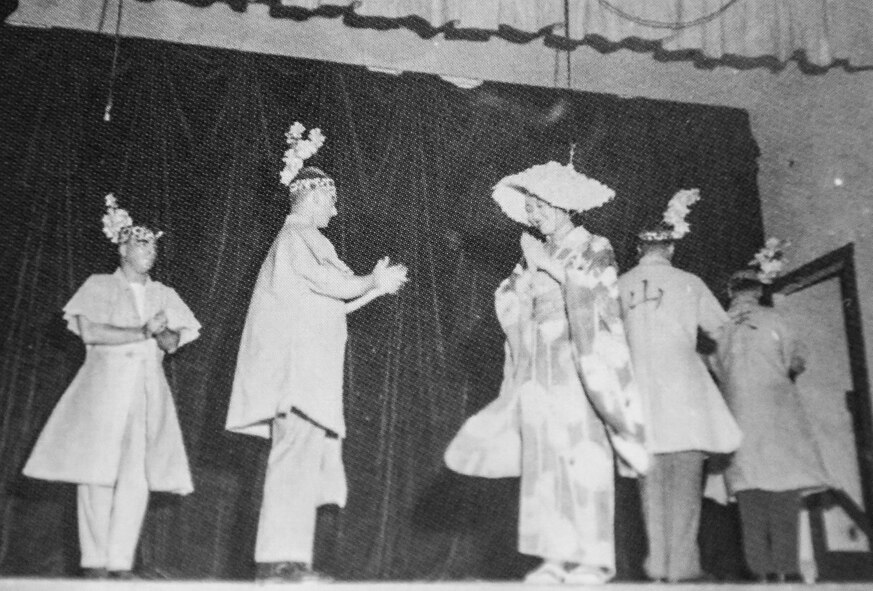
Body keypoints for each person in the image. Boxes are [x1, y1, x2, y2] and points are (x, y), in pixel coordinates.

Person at [445, 160, 648, 585]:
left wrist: (551, 269)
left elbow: (600, 297)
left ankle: (592, 558)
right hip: (538, 362)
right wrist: (517, 289)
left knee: (581, 453)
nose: (533, 216)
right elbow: (513, 304)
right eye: (529, 208)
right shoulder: (531, 256)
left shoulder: (594, 244)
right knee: (543, 456)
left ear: (561, 204)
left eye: (539, 206)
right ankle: (555, 556)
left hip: (577, 359)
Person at [225, 123, 408, 583]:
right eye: (331, 198)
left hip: (310, 375)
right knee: (293, 462)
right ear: (310, 196)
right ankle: (278, 565)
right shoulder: (296, 239)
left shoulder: (311, 241)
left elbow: (336, 304)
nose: (335, 206)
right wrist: (370, 281)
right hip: (296, 376)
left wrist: (375, 290)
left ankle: (292, 563)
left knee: (302, 466)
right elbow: (334, 285)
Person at [23, 194, 201, 579]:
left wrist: (162, 329)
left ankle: (120, 565)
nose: (149, 249)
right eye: (141, 242)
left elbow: (173, 342)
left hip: (146, 394)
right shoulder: (98, 285)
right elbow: (89, 330)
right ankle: (94, 563)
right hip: (102, 392)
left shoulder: (164, 294)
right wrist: (141, 331)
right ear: (121, 247)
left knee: (136, 475)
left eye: (153, 242)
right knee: (96, 473)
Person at [618, 190, 741, 582]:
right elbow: (723, 331)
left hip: (640, 401)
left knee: (650, 492)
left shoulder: (619, 284)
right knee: (686, 492)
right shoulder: (689, 282)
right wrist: (708, 363)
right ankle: (683, 569)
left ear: (639, 250)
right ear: (669, 249)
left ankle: (657, 569)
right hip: (687, 401)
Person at [713, 242, 829, 583]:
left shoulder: (719, 326)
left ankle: (762, 577)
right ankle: (786, 572)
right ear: (758, 290)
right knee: (783, 496)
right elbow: (797, 359)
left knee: (750, 501)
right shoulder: (775, 318)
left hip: (739, 421)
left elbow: (717, 368)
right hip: (777, 422)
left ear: (730, 292)